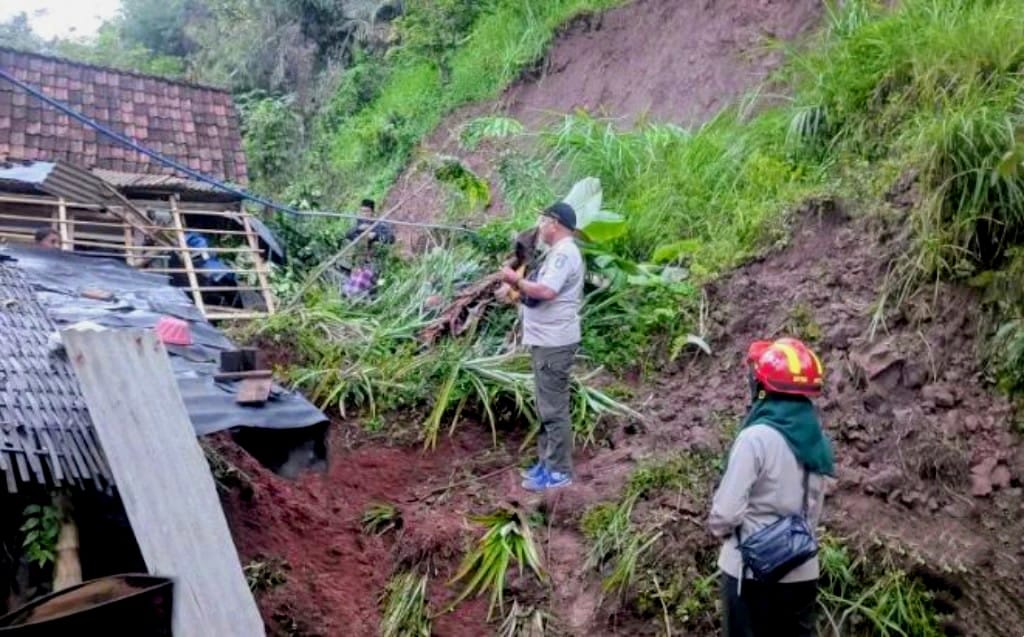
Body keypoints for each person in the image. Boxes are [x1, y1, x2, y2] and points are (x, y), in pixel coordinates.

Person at [709, 337, 835, 637]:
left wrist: (721, 531)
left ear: (764, 388)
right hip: (803, 570)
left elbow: (726, 513)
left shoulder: (756, 438)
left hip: (749, 572)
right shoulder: (817, 440)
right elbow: (815, 510)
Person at [499, 202, 584, 492]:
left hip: (554, 342)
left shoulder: (564, 254)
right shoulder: (558, 253)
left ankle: (559, 472)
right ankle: (547, 464)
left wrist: (515, 280)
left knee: (553, 409)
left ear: (554, 224)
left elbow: (546, 291)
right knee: (545, 406)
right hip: (546, 340)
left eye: (543, 221)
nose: (541, 226)